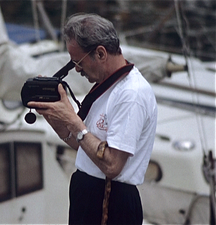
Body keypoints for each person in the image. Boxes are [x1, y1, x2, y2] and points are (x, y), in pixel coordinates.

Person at [28, 13, 157, 225]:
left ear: (100, 53)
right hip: (89, 195)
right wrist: (55, 116)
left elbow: (113, 165)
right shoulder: (107, 86)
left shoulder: (131, 94)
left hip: (110, 201)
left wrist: (73, 120)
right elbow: (86, 146)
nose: (76, 69)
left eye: (78, 62)